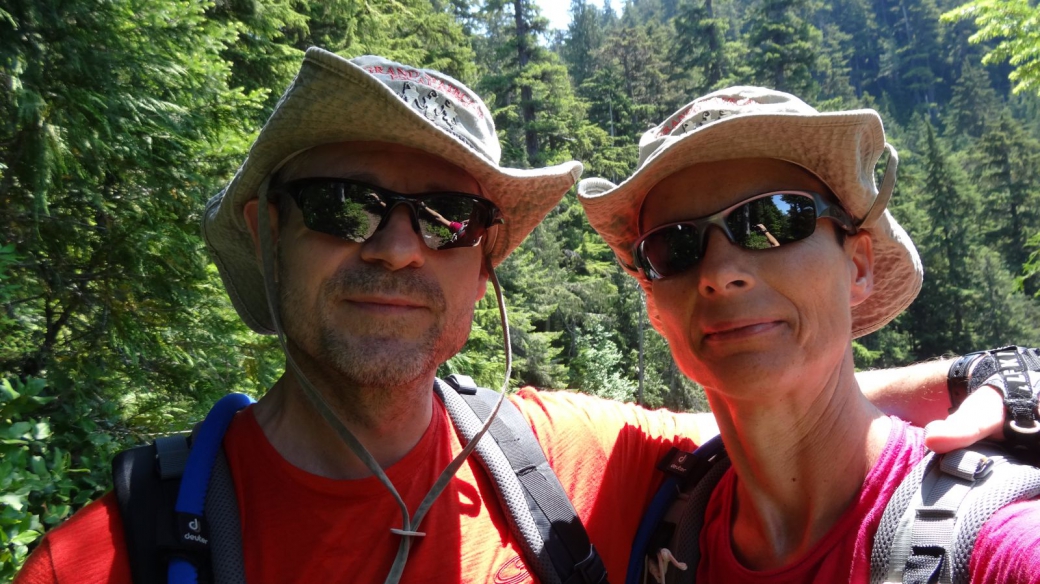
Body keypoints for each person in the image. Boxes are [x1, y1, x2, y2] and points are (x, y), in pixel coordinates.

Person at [14, 50, 1009, 584]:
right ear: (264, 228)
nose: (397, 247)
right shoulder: (108, 560)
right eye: (340, 203)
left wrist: (991, 375)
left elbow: (770, 407)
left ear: (484, 258)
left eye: (447, 216)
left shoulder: (551, 460)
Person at [576, 86, 1040, 582]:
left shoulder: (997, 542)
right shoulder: (654, 502)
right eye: (674, 245)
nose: (719, 270)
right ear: (655, 307)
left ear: (858, 266)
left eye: (773, 219)